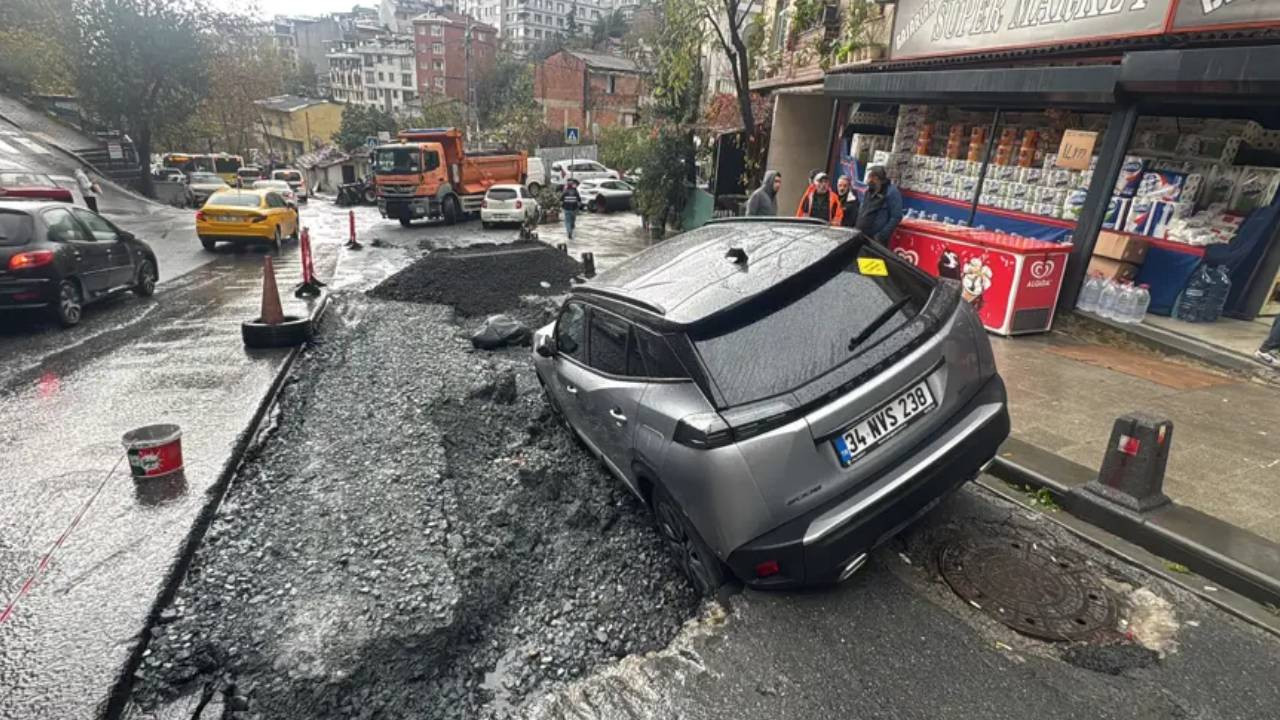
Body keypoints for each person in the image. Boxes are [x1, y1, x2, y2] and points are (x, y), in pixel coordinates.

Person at [856, 166, 903, 244]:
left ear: (877, 179)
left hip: (876, 241)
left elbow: (896, 217)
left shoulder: (891, 192)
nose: (868, 180)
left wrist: (881, 236)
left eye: (871, 177)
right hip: (861, 236)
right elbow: (862, 210)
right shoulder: (869, 191)